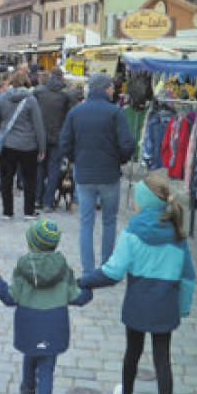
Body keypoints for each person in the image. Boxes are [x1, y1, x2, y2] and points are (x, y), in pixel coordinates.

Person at [78, 172, 196, 394]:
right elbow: (188, 275)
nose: (132, 202)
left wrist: (83, 281)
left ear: (143, 202)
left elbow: (112, 272)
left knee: (133, 351)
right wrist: (183, 307)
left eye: (135, 198)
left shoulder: (132, 232)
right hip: (165, 306)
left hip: (138, 304)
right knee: (162, 361)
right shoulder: (177, 233)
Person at [0, 219, 90, 394]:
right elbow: (78, 298)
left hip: (29, 324)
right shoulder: (64, 269)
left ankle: (28, 391)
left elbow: (10, 297)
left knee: (30, 355)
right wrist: (89, 286)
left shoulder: (23, 267)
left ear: (30, 244)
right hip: (54, 326)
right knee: (47, 370)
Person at [59, 72, 135, 272]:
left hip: (84, 173)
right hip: (109, 174)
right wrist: (118, 159)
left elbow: (65, 144)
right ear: (105, 89)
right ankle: (107, 265)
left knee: (86, 222)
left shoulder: (76, 113)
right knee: (109, 221)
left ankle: (87, 269)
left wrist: (78, 159)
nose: (113, 90)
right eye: (111, 87)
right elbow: (127, 144)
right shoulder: (115, 113)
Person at [0, 69, 45, 220]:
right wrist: (42, 148)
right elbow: (38, 126)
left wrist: (1, 127)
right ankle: (28, 211)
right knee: (29, 179)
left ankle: (7, 212)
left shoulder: (2, 98)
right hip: (28, 145)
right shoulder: (31, 100)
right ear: (27, 82)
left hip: (7, 144)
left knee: (7, 179)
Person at [33, 67, 75, 211]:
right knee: (54, 170)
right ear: (62, 78)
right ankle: (48, 202)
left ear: (50, 76)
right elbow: (70, 119)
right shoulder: (66, 96)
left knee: (39, 168)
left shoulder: (38, 93)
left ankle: (37, 198)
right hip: (58, 137)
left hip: (40, 137)